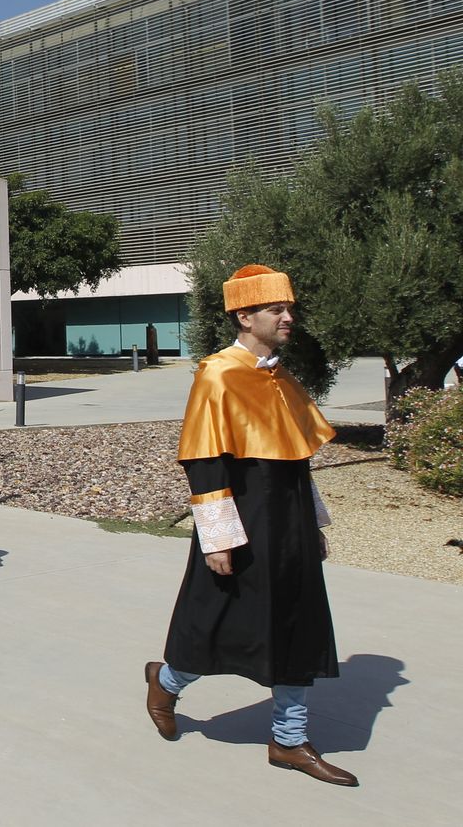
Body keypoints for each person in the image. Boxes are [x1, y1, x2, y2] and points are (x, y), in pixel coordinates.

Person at [144, 265, 356, 786]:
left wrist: (313, 525)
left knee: (297, 622)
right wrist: (216, 536)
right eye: (276, 310)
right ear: (245, 315)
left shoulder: (281, 376)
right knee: (217, 621)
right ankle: (167, 681)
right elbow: (204, 461)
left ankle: (289, 739)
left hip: (290, 526)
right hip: (241, 523)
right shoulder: (218, 373)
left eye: (289, 308)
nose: (289, 317)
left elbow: (295, 458)